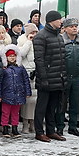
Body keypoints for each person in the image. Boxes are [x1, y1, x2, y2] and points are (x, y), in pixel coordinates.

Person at [33, 10, 67, 142]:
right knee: (42, 106)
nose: (61, 21)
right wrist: (44, 78)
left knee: (52, 106)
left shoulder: (58, 36)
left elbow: (62, 59)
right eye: (59, 19)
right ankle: (39, 132)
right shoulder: (41, 37)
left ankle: (51, 131)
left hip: (57, 78)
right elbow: (39, 59)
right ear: (51, 20)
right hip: (46, 78)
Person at [55, 18, 79, 137]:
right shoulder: (60, 41)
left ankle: (73, 126)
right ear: (65, 29)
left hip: (77, 77)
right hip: (64, 77)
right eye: (71, 26)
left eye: (76, 26)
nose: (74, 28)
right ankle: (59, 127)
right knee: (62, 104)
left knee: (75, 104)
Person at [0, 45, 31, 138]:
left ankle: (15, 128)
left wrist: (28, 92)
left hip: (18, 94)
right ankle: (5, 128)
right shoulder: (4, 69)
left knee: (16, 112)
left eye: (14, 56)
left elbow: (26, 80)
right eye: (10, 56)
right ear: (6, 57)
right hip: (6, 94)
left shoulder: (20, 68)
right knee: (5, 112)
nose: (12, 58)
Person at [17, 23, 39, 133]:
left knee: (35, 101)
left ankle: (33, 123)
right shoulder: (22, 41)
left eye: (35, 32)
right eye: (32, 32)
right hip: (26, 74)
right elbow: (20, 54)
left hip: (37, 74)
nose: (34, 34)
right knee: (27, 100)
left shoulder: (39, 42)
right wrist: (28, 42)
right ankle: (25, 123)